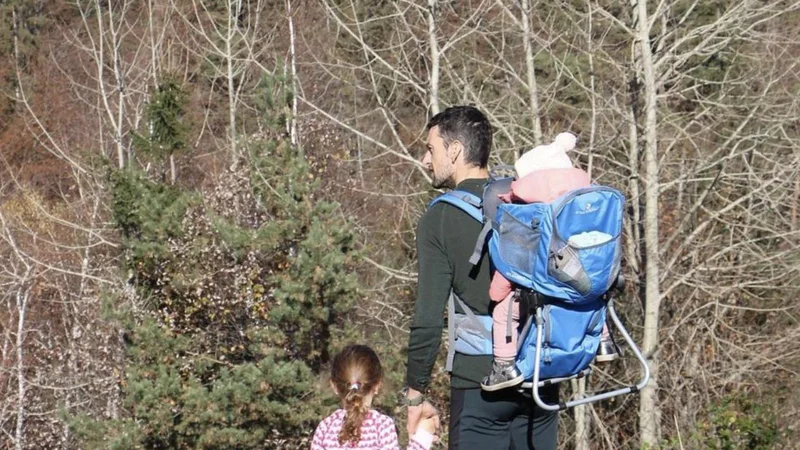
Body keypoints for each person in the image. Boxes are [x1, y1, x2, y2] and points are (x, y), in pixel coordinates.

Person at [404, 106, 558, 450]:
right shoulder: (523, 202)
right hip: (539, 377)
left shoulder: (440, 218)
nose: (426, 160)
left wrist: (415, 394)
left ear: (455, 150)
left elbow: (428, 319)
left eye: (431, 149)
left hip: (480, 385)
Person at [481, 132, 619, 392]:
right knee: (595, 294)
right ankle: (604, 341)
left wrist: (496, 292)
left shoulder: (532, 223)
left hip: (547, 296)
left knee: (504, 311)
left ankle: (504, 366)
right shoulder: (588, 214)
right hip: (591, 290)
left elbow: (510, 268)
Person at [312, 344, 440, 450]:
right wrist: (424, 434)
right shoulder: (381, 426)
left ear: (334, 386)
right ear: (378, 385)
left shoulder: (325, 428)